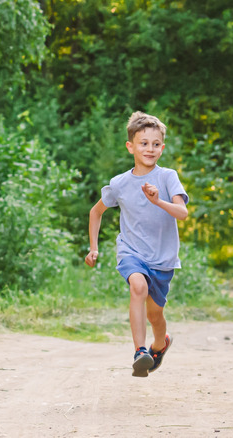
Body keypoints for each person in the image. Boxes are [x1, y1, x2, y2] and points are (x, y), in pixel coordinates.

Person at [85, 111, 189, 377]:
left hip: (163, 258)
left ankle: (159, 344)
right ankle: (140, 351)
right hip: (132, 251)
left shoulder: (167, 177)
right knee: (138, 286)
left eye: (156, 144)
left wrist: (158, 201)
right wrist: (93, 247)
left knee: (156, 315)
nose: (150, 149)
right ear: (130, 146)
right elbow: (95, 212)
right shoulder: (119, 183)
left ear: (162, 147)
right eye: (144, 143)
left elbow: (182, 213)